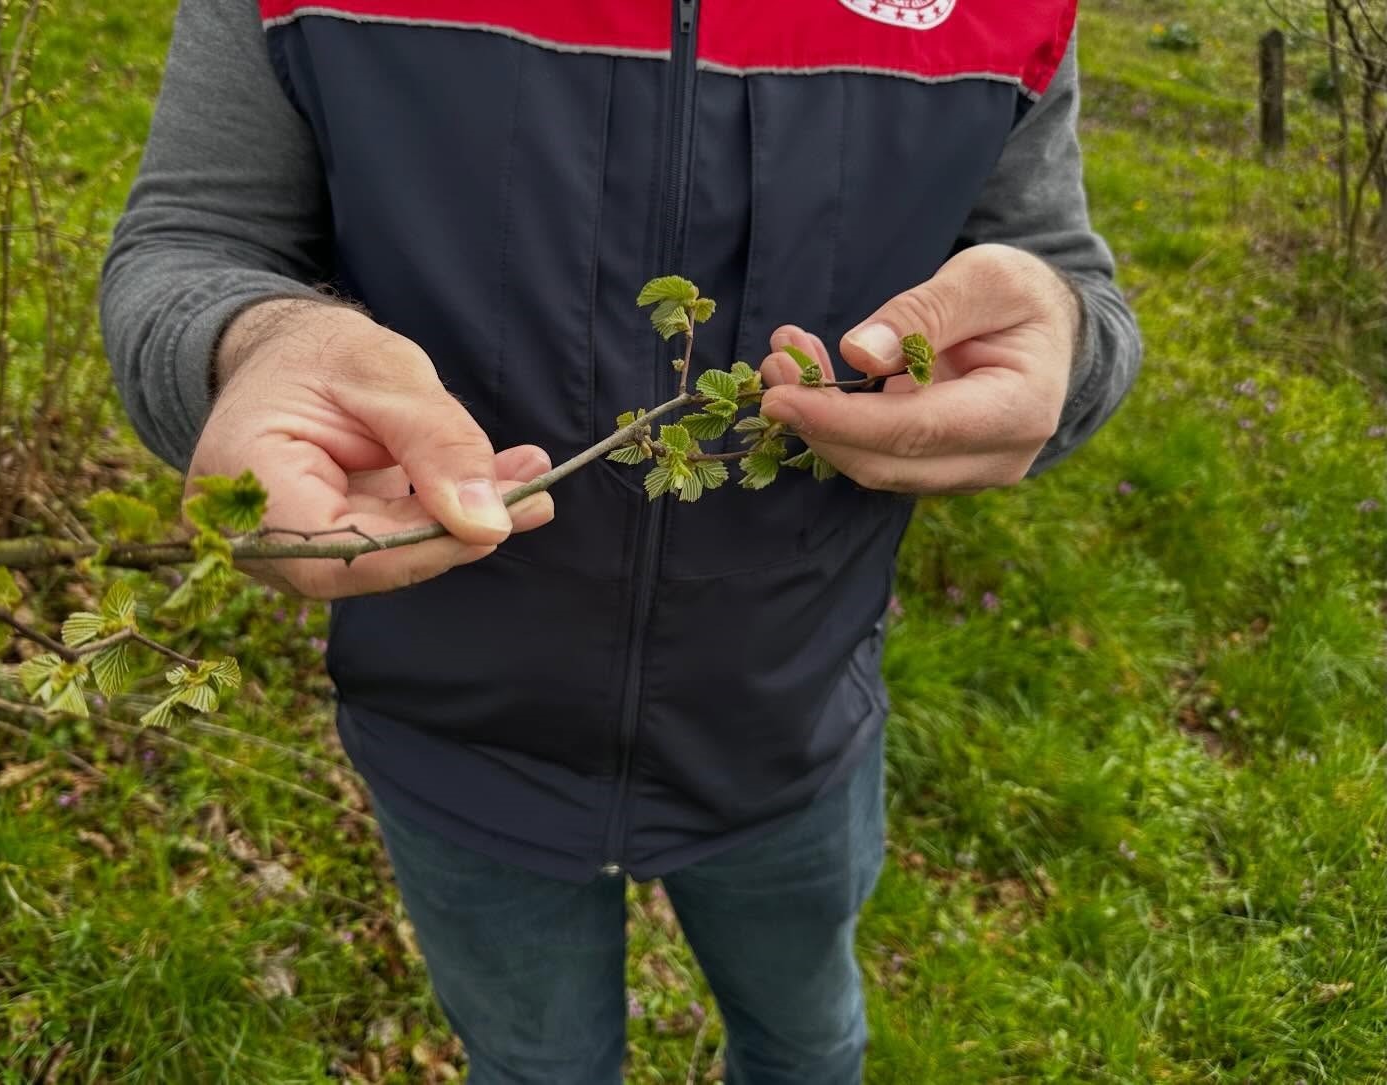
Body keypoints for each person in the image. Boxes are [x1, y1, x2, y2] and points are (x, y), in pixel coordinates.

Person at [101, 0, 1140, 1080]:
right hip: (454, 732)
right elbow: (193, 242)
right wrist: (255, 344)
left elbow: (1065, 281)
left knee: (810, 1044)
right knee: (532, 1064)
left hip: (795, 724)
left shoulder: (1006, 13)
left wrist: (1065, 345)